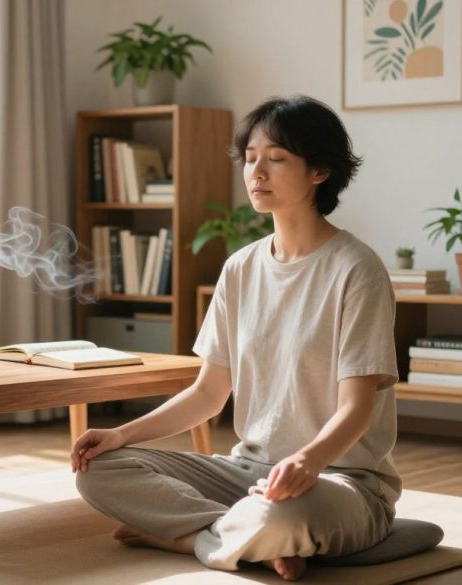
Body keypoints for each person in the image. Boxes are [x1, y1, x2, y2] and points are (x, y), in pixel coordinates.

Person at [71, 95, 399, 582]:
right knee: (98, 470)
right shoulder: (240, 268)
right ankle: (240, 540)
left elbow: (357, 409)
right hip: (246, 474)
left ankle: (182, 537)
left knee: (281, 514)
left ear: (319, 172)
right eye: (250, 159)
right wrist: (120, 435)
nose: (256, 172)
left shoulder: (357, 270)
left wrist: (306, 462)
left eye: (276, 158)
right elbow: (208, 394)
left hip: (337, 480)